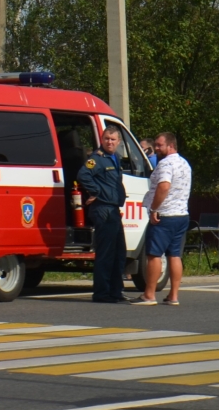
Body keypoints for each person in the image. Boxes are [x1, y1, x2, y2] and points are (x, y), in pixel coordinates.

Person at [76, 124, 130, 303]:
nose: (109, 142)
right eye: (107, 139)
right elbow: (83, 175)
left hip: (113, 210)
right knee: (106, 253)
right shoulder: (96, 159)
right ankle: (102, 293)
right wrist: (97, 192)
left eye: (113, 139)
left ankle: (115, 291)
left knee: (119, 253)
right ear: (102, 139)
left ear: (118, 142)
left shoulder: (115, 158)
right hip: (103, 209)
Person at [140, 132, 191, 306]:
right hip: (181, 215)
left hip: (165, 216)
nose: (156, 148)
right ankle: (174, 296)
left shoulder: (166, 164)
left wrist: (154, 208)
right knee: (174, 255)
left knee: (154, 254)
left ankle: (149, 294)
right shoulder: (184, 163)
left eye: (159, 145)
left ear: (170, 145)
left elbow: (164, 186)